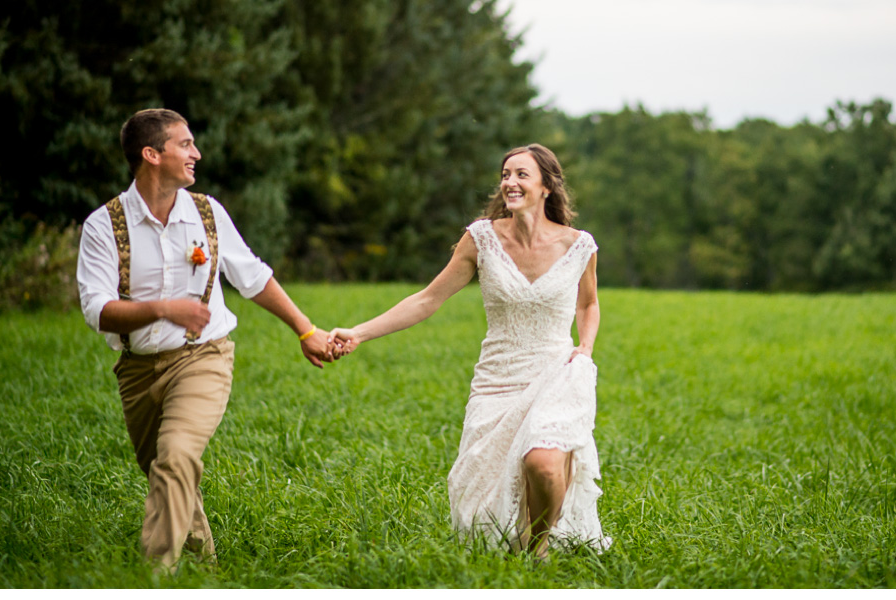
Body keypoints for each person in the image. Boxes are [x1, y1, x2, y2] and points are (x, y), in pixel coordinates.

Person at [76, 108, 341, 569]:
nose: (196, 153)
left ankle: (155, 575)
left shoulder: (207, 213)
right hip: (136, 370)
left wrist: (306, 330)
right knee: (168, 472)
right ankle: (204, 567)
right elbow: (98, 311)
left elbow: (253, 277)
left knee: (175, 457)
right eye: (185, 144)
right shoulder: (103, 226)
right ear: (151, 154)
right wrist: (163, 308)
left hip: (204, 357)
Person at [332, 143, 610, 557]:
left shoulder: (578, 245)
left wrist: (584, 349)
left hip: (557, 372)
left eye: (521, 175)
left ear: (547, 186)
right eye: (505, 174)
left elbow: (588, 304)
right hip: (497, 378)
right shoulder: (482, 238)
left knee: (543, 464)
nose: (509, 182)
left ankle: (536, 549)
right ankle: (519, 549)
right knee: (486, 494)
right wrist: (359, 332)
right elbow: (428, 299)